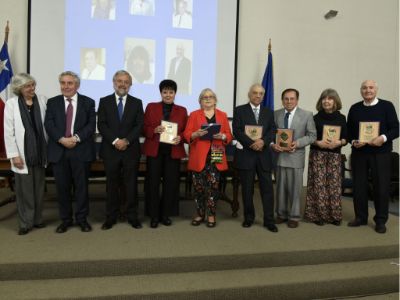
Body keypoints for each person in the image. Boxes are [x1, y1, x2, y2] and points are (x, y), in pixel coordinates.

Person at [44, 71, 96, 233]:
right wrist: (61, 139)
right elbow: (49, 124)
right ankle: (65, 220)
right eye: (63, 83)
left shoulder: (88, 102)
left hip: (80, 150)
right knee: (62, 188)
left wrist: (76, 138)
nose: (66, 86)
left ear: (77, 85)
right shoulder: (52, 102)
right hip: (59, 150)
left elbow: (90, 125)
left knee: (81, 188)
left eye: (69, 83)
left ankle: (82, 219)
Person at [347, 80, 399, 234]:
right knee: (359, 186)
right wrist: (354, 141)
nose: (367, 90)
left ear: (376, 90)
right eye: (364, 88)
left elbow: (396, 128)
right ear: (361, 91)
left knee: (381, 187)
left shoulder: (387, 106)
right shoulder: (355, 108)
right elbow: (349, 131)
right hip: (360, 154)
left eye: (370, 87)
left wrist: (382, 138)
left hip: (381, 153)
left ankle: (381, 220)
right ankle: (361, 217)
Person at [97, 70, 144, 230]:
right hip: (111, 150)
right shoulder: (104, 101)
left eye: (126, 82)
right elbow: (101, 124)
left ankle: (132, 216)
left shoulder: (137, 102)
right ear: (114, 82)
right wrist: (116, 141)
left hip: (131, 150)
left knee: (131, 185)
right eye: (119, 81)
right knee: (111, 185)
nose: (122, 84)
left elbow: (139, 125)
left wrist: (127, 140)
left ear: (130, 85)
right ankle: (111, 217)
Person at [4, 73, 47, 235]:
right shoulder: (11, 104)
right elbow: (9, 132)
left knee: (39, 189)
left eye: (33, 85)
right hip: (22, 154)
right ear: (19, 88)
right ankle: (25, 222)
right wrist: (14, 155)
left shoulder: (42, 100)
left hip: (40, 153)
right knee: (24, 191)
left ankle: (37, 219)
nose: (32, 88)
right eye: (28, 86)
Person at [183, 88, 233, 227]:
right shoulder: (193, 115)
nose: (208, 99)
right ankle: (200, 214)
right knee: (198, 188)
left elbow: (229, 135)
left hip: (216, 153)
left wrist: (222, 136)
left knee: (213, 187)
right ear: (200, 101)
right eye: (204, 97)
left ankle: (211, 215)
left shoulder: (222, 115)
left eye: (211, 96)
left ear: (215, 100)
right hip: (199, 155)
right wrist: (195, 134)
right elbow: (186, 134)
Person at [232, 84, 277, 232]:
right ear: (249, 94)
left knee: (267, 190)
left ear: (263, 96)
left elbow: (272, 130)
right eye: (255, 93)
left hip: (264, 156)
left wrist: (263, 142)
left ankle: (269, 220)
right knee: (247, 189)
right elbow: (237, 131)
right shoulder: (239, 110)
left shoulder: (269, 112)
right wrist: (252, 143)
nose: (258, 96)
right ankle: (248, 218)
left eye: (261, 94)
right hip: (246, 155)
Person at [143, 79, 188, 228]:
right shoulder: (151, 107)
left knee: (171, 184)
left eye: (171, 92)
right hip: (154, 151)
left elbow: (185, 132)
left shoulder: (182, 110)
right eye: (165, 92)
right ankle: (154, 215)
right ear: (160, 93)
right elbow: (143, 127)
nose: (168, 95)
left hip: (172, 152)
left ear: (175, 93)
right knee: (152, 184)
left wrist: (180, 137)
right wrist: (153, 130)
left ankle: (165, 215)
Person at [271, 88, 316, 228]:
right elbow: (271, 134)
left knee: (295, 189)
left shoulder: (307, 115)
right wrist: (272, 144)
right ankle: (281, 214)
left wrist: (298, 143)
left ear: (297, 100)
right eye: (286, 98)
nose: (289, 101)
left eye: (292, 98)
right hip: (279, 156)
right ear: (282, 100)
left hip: (296, 156)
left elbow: (312, 135)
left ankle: (294, 216)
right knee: (280, 188)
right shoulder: (276, 114)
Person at [304, 89, 347, 226]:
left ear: (335, 101)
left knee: (334, 186)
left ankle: (334, 216)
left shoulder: (342, 118)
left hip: (335, 155)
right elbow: (309, 137)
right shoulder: (314, 118)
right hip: (318, 154)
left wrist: (339, 142)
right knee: (318, 185)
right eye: (324, 98)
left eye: (330, 99)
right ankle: (317, 215)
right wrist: (318, 142)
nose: (326, 101)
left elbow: (346, 137)